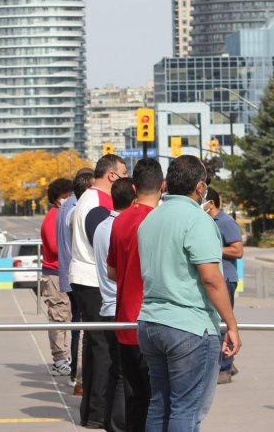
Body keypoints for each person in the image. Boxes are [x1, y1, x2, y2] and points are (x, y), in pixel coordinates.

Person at [137, 156, 240, 431]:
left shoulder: (150, 219)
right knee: (186, 410)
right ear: (200, 187)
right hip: (188, 327)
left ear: (167, 184)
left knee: (159, 405)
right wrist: (231, 324)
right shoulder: (198, 220)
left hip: (150, 322)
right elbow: (212, 280)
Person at [106, 158, 163, 432]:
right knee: (160, 400)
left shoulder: (120, 220)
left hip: (126, 321)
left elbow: (112, 272)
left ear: (133, 185)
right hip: (155, 322)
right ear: (162, 186)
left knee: (135, 400)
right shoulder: (160, 220)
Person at [71, 155, 127, 428]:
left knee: (97, 349)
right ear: (112, 176)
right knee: (103, 350)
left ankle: (92, 412)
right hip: (93, 281)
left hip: (88, 279)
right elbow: (103, 243)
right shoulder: (96, 201)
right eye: (124, 173)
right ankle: (97, 412)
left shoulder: (89, 199)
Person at [90, 177, 134, 432]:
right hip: (118, 306)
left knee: (116, 372)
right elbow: (117, 270)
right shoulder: (121, 228)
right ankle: (117, 425)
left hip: (108, 304)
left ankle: (110, 421)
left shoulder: (103, 226)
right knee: (122, 375)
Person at [202, 188, 243, 384]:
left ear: (210, 203)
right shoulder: (205, 222)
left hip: (225, 279)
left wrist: (213, 250)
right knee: (214, 323)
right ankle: (227, 362)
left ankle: (225, 368)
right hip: (214, 278)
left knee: (223, 324)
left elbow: (238, 250)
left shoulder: (225, 222)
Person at [59, 167, 93, 392]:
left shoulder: (67, 207)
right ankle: (79, 376)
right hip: (81, 277)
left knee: (77, 327)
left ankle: (77, 374)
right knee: (82, 329)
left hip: (71, 274)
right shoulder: (76, 210)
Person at [40, 178, 74, 377]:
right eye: (65, 196)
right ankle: (59, 358)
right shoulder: (54, 216)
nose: (68, 199)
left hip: (61, 272)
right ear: (55, 199)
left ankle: (64, 357)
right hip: (54, 273)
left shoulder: (59, 214)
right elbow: (54, 247)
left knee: (64, 315)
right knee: (58, 316)